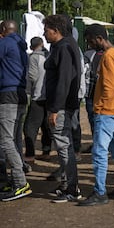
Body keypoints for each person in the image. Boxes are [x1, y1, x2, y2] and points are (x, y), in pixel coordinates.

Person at [77, 24, 114, 206]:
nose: (90, 44)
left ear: (99, 38)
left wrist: (99, 107)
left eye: (90, 40)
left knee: (100, 152)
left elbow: (109, 87)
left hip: (106, 111)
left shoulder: (107, 57)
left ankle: (100, 192)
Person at [43, 14, 82, 203]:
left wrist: (56, 108)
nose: (44, 34)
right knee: (63, 146)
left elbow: (64, 80)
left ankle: (72, 188)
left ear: (55, 31)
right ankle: (67, 184)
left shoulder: (64, 47)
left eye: (46, 30)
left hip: (62, 107)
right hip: (63, 105)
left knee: (64, 147)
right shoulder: (64, 45)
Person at [0, 20, 32, 202]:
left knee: (5, 141)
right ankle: (17, 180)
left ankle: (20, 183)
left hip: (8, 94)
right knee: (14, 138)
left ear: (4, 30)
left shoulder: (5, 43)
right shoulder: (21, 45)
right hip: (21, 94)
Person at [23, 37, 51, 162]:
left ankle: (29, 154)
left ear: (31, 46)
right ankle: (46, 151)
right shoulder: (49, 55)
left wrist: (28, 91)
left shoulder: (34, 57)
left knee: (29, 127)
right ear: (42, 44)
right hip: (49, 96)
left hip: (38, 95)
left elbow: (32, 76)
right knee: (46, 126)